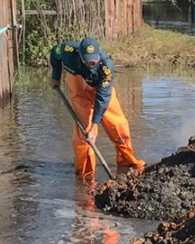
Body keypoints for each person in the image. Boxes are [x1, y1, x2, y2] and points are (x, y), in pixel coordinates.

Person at [49, 36, 146, 180]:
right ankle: (86, 177)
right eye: (88, 59)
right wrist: (55, 76)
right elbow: (54, 55)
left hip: (99, 88)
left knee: (117, 124)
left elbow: (103, 97)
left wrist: (96, 125)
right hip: (77, 84)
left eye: (94, 59)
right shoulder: (66, 50)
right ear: (80, 55)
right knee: (84, 132)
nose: (91, 62)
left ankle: (127, 162)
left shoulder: (106, 67)